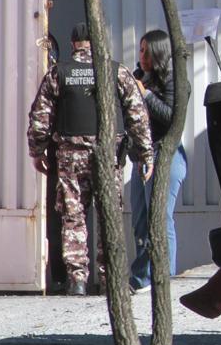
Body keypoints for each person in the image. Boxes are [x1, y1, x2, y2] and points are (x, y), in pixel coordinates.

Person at [26, 24, 155, 295]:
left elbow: (40, 118)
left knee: (74, 218)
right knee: (108, 216)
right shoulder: (115, 71)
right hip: (108, 156)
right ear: (96, 42)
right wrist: (145, 153)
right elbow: (137, 114)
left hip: (70, 158)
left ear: (74, 44)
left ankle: (78, 281)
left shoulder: (58, 73)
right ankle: (111, 280)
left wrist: (37, 152)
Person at [128, 29, 188, 293]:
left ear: (158, 52)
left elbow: (171, 116)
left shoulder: (174, 80)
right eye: (140, 50)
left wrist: (146, 95)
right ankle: (142, 277)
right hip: (142, 155)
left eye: (146, 51)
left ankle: (165, 277)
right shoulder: (143, 78)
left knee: (160, 219)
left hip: (166, 155)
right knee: (140, 218)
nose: (141, 56)